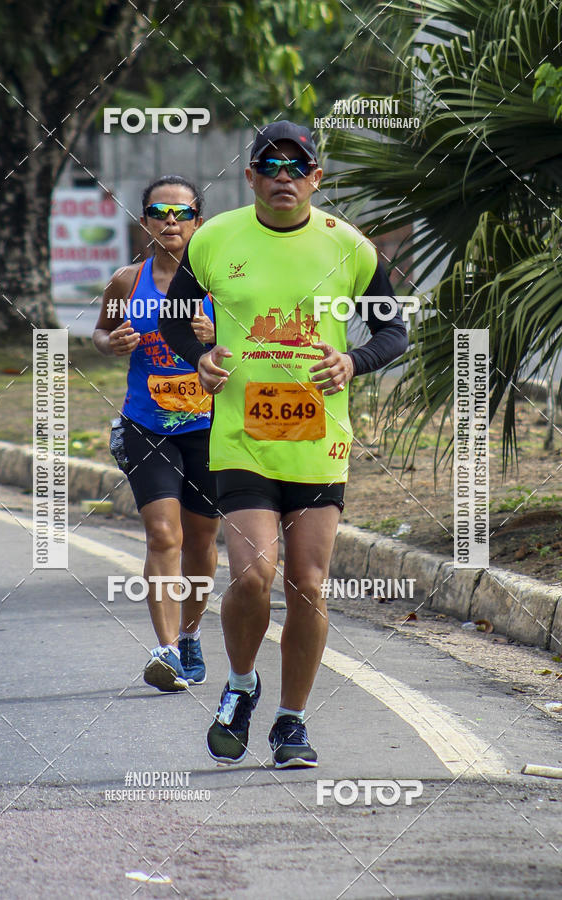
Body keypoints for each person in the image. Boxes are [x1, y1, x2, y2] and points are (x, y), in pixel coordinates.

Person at [160, 121, 408, 766]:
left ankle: (291, 722)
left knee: (307, 582)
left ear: (316, 179)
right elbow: (173, 318)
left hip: (318, 440)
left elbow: (394, 332)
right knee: (251, 575)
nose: (283, 178)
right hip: (242, 436)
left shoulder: (347, 245)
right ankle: (241, 684)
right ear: (250, 178)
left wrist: (354, 361)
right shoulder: (215, 238)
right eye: (269, 166)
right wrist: (200, 356)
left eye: (297, 168)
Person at [93, 175, 219, 693]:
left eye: (182, 213)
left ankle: (190, 635)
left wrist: (221, 335)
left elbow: (257, 341)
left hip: (212, 425)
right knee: (164, 534)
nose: (171, 221)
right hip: (148, 424)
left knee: (202, 538)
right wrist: (111, 342)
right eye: (159, 211)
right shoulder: (126, 280)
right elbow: (101, 331)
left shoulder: (221, 285)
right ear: (145, 221)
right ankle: (165, 651)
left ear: (198, 222)